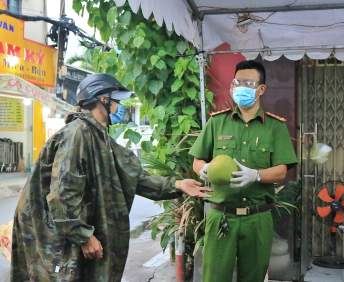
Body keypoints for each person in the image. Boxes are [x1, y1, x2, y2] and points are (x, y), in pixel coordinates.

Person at [11, 73, 210, 282]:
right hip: (60, 238)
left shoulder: (98, 136)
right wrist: (84, 237)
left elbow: (135, 175)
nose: (119, 107)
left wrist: (178, 184)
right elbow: (62, 196)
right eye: (116, 101)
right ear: (102, 100)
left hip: (75, 233)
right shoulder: (76, 135)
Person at [189, 60, 298, 282]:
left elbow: (281, 171)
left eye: (248, 82)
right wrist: (204, 169)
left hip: (257, 219)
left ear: (261, 89)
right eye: (237, 82)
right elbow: (197, 161)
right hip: (221, 216)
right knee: (214, 277)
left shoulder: (275, 127)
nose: (240, 87)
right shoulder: (217, 123)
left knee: (253, 278)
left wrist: (256, 175)